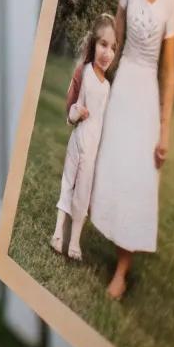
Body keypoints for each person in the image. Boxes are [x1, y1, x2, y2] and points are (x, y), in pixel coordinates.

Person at [89, 0, 174, 301]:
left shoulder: (170, 2)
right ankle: (87, 230)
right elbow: (115, 44)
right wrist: (97, 83)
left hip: (147, 96)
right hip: (123, 85)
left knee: (140, 175)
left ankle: (122, 271)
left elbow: (170, 72)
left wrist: (164, 128)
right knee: (112, 165)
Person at [50, 14, 117, 260]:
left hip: (92, 150)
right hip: (77, 142)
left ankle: (75, 241)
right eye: (102, 45)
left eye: (112, 47)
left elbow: (103, 122)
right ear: (93, 44)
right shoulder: (84, 72)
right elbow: (70, 113)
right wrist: (76, 112)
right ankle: (58, 233)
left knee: (83, 194)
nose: (107, 53)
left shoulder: (108, 87)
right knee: (68, 184)